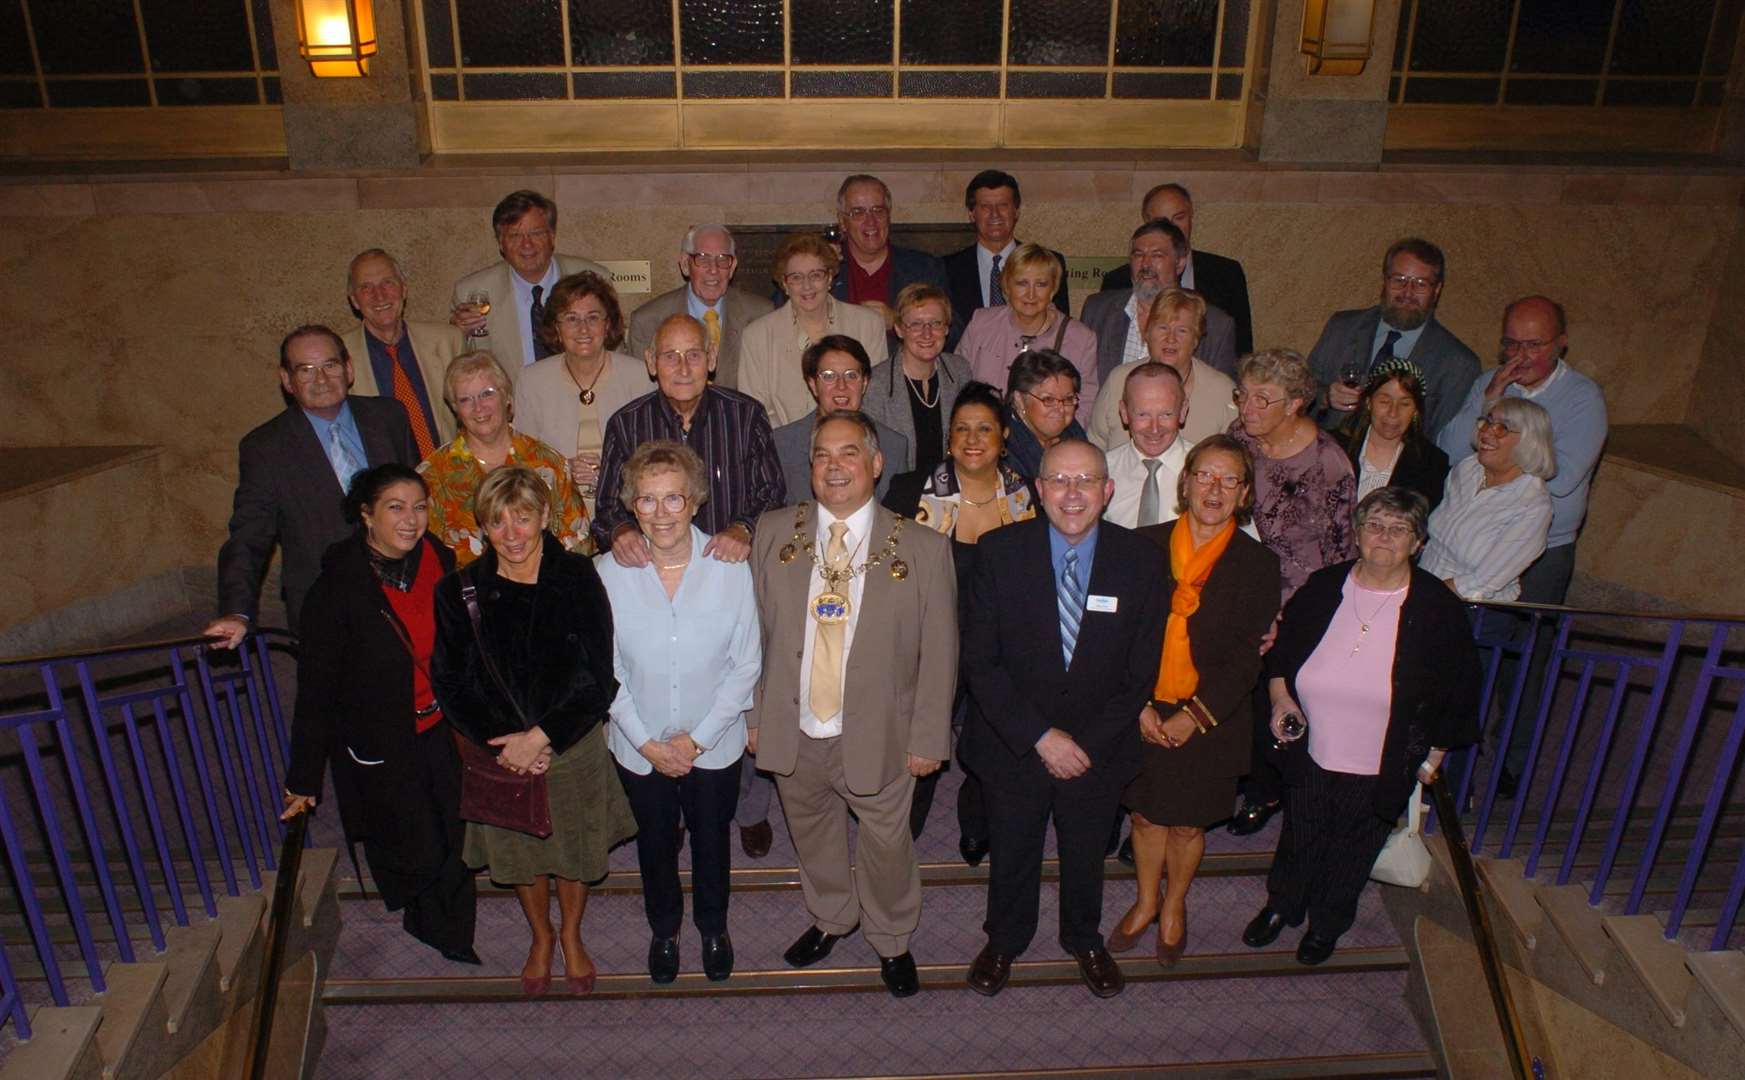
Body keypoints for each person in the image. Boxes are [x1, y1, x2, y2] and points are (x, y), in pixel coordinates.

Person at [746, 412, 957, 998]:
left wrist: (928, 739)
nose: (834, 467)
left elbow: (940, 654)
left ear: (875, 462)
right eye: (821, 455)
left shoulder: (921, 547)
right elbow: (753, 638)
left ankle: (892, 937)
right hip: (795, 724)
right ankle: (833, 915)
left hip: (882, 731)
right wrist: (756, 716)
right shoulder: (772, 533)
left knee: (887, 844)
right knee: (811, 834)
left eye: (847, 454)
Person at [959, 439, 1168, 999]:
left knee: (1086, 850)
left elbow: (1140, 673)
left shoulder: (1143, 560)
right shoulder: (997, 552)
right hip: (1015, 743)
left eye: (1085, 481)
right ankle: (1005, 938)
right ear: (1039, 490)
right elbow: (981, 661)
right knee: (1012, 847)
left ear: (1107, 490)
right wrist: (1040, 738)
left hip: (1097, 750)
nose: (1072, 494)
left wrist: (1085, 745)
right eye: (1058, 480)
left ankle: (1084, 936)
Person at [1243, 487, 1481, 965]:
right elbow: (1283, 654)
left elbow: (1460, 688)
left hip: (1383, 753)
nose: (1384, 537)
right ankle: (1282, 905)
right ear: (1357, 532)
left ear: (1418, 542)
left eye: (1399, 529)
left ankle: (1327, 924)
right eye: (1374, 525)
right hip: (1311, 741)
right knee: (1301, 831)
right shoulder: (1326, 584)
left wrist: (1434, 754)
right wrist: (1280, 698)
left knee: (1354, 843)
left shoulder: (1437, 607)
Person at [431, 466, 636, 997]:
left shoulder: (577, 576)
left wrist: (542, 737)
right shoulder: (460, 590)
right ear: (482, 528)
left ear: (545, 517)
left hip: (569, 742)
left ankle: (570, 933)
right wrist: (508, 745)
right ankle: (539, 935)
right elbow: (451, 682)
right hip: (501, 750)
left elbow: (599, 674)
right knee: (521, 853)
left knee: (571, 848)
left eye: (522, 519)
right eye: (498, 523)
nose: (512, 534)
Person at [281, 464, 477, 965]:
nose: (411, 520)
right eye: (395, 508)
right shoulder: (337, 591)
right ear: (366, 515)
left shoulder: (436, 555)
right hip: (382, 736)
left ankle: (453, 930)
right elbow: (316, 691)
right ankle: (430, 920)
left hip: (440, 725)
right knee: (413, 839)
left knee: (456, 829)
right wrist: (304, 777)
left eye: (419, 506)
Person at [1109, 436, 1279, 965]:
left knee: (1186, 824)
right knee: (1143, 817)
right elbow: (1117, 638)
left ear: (1244, 493)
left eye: (1230, 480)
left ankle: (1175, 904)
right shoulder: (1140, 546)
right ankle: (1144, 901)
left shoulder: (1258, 565)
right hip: (1143, 706)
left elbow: (1245, 661)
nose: (1215, 489)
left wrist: (1193, 718)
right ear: (1185, 483)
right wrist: (1136, 706)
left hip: (1211, 716)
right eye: (1205, 475)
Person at [599, 441, 761, 984]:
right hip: (636, 743)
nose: (662, 513)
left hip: (713, 743)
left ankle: (713, 925)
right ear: (631, 506)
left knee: (712, 836)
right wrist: (647, 743)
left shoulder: (730, 568)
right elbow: (605, 669)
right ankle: (664, 929)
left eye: (674, 499)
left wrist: (696, 741)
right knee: (655, 839)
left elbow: (746, 665)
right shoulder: (606, 573)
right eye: (647, 501)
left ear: (695, 502)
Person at [1435, 296, 1607, 791]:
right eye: (1511, 342)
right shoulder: (1490, 384)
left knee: (1524, 662)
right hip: (1469, 543)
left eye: (1534, 345)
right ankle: (1455, 755)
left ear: (1560, 343)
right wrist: (1487, 401)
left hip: (1542, 549)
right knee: (1469, 661)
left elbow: (1563, 477)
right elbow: (1449, 449)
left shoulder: (1582, 398)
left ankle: (1513, 763)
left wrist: (1501, 449)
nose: (1520, 355)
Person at [883, 381, 1037, 861]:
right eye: (962, 429)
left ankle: (976, 822)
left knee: (990, 743)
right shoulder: (910, 492)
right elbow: (884, 575)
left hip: (999, 649)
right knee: (919, 740)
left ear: (1004, 435)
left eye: (985, 428)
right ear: (949, 439)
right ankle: (900, 831)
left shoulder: (1027, 498)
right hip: (929, 647)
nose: (973, 439)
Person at [207, 325, 417, 641]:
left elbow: (421, 496)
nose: (321, 379)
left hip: (406, 586)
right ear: (287, 381)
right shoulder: (265, 448)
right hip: (327, 602)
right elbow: (249, 535)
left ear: (348, 369)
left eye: (329, 365)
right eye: (306, 370)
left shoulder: (389, 416)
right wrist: (237, 610)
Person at [1227, 348, 1358, 837]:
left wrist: (1303, 613)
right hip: (1246, 583)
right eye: (1244, 395)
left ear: (1298, 403)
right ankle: (1242, 774)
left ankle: (1270, 789)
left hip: (1302, 597)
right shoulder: (1242, 438)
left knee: (1279, 692)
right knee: (1240, 686)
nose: (1249, 409)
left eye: (1264, 399)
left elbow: (1343, 553)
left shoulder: (1329, 463)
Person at [591, 314, 786, 570]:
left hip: (731, 568)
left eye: (693, 355)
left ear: (712, 358)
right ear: (651, 362)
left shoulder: (746, 416)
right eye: (670, 356)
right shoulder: (626, 424)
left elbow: (772, 492)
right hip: (652, 573)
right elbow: (607, 507)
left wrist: (744, 528)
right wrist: (621, 531)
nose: (683, 369)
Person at [418, 352, 590, 568]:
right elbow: (426, 561)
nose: (478, 407)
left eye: (487, 394)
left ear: (507, 397)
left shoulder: (548, 462)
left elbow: (578, 546)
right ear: (454, 408)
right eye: (465, 399)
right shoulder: (432, 475)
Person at [1307, 238, 1479, 437]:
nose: (1407, 293)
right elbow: (1300, 392)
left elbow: (1442, 442)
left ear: (1437, 290)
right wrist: (1326, 397)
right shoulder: (1342, 327)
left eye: (1420, 284)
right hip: (1328, 456)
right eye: (1399, 280)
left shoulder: (1459, 363)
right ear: (1385, 281)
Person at [514, 272, 653, 518]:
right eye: (571, 318)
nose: (583, 329)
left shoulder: (641, 377)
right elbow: (523, 464)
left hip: (628, 516)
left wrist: (612, 474)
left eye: (593, 317)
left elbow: (654, 459)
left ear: (607, 324)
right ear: (556, 327)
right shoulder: (531, 381)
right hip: (558, 515)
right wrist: (563, 470)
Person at [450, 190, 611, 371]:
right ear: (501, 243)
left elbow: (613, 350)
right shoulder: (472, 292)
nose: (527, 244)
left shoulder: (593, 279)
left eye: (536, 233)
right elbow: (460, 366)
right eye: (515, 236)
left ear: (552, 236)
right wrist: (458, 335)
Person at [739, 232, 888, 427]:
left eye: (816, 275)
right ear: (784, 284)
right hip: (782, 448)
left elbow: (875, 398)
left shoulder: (868, 325)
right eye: (796, 278)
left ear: (829, 278)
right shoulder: (757, 336)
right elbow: (755, 412)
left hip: (854, 442)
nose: (807, 286)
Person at [1420, 398, 1555, 603]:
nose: (1486, 432)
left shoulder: (1533, 506)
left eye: (1502, 428)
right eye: (1487, 422)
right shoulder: (1467, 468)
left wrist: (1421, 597)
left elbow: (1482, 582)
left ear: (1529, 441)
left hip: (1471, 609)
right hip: (1425, 585)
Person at [1100, 182, 1254, 356]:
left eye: (1179, 217)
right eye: (1161, 222)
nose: (1173, 228)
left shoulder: (1226, 274)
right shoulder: (1118, 280)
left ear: (1191, 217)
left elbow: (1241, 348)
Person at [340, 248, 467, 454]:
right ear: (354, 300)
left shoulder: (448, 341)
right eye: (366, 287)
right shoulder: (338, 357)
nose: (379, 295)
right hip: (383, 481)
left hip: (449, 475)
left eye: (387, 283)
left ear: (404, 289)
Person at [958, 244, 1099, 426]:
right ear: (1007, 285)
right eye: (1022, 283)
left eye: (1041, 284)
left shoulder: (1081, 339)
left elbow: (1085, 407)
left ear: (1053, 289)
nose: (1031, 294)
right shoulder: (981, 324)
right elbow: (958, 384)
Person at [1081, 220, 1237, 383]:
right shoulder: (1097, 311)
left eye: (1157, 255)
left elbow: (1221, 398)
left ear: (1180, 263)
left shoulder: (1215, 325)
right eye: (1138, 255)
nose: (1146, 264)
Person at [625, 224, 774, 389]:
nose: (713, 269)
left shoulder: (761, 314)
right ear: (685, 264)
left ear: (732, 267)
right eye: (703, 258)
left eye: (722, 259)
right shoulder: (648, 321)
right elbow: (642, 392)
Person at [1090, 287, 1237, 451]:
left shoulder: (1222, 392)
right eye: (1163, 328)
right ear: (1147, 333)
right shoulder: (1119, 380)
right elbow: (1095, 445)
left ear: (1196, 339)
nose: (1171, 339)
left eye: (1182, 330)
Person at [772, 335, 910, 502]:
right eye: (829, 376)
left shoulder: (893, 445)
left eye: (851, 375)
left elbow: (897, 519)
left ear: (864, 383)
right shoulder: (781, 445)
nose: (841, 386)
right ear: (813, 385)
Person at [941, 170, 1068, 349]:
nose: (995, 214)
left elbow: (1059, 328)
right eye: (985, 206)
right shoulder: (946, 268)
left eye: (1003, 205)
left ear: (1016, 211)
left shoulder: (1050, 263)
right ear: (971, 213)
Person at [862, 283, 973, 477]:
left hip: (954, 491)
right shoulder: (875, 385)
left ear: (946, 328)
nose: (927, 333)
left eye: (936, 323)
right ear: (898, 330)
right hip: (897, 494)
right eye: (915, 324)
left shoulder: (960, 370)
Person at [818, 173, 948, 325]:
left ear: (889, 216)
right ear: (842, 221)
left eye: (878, 210)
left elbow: (954, 332)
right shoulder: (824, 267)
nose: (871, 221)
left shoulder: (925, 268)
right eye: (858, 212)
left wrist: (897, 322)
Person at [1333, 357, 1450, 512]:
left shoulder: (1432, 464)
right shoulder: (1333, 447)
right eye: (1384, 402)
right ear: (1368, 402)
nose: (1393, 413)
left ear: (1415, 410)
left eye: (1405, 404)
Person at [1101, 363, 1191, 530]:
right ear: (1124, 412)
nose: (1154, 428)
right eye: (1143, 414)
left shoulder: (1210, 473)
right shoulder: (1102, 471)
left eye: (1166, 414)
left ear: (1183, 410)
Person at [1001, 349, 1089, 482]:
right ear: (1019, 399)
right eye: (1048, 399)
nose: (1060, 409)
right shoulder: (1002, 444)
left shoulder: (1073, 432)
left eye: (1068, 399)